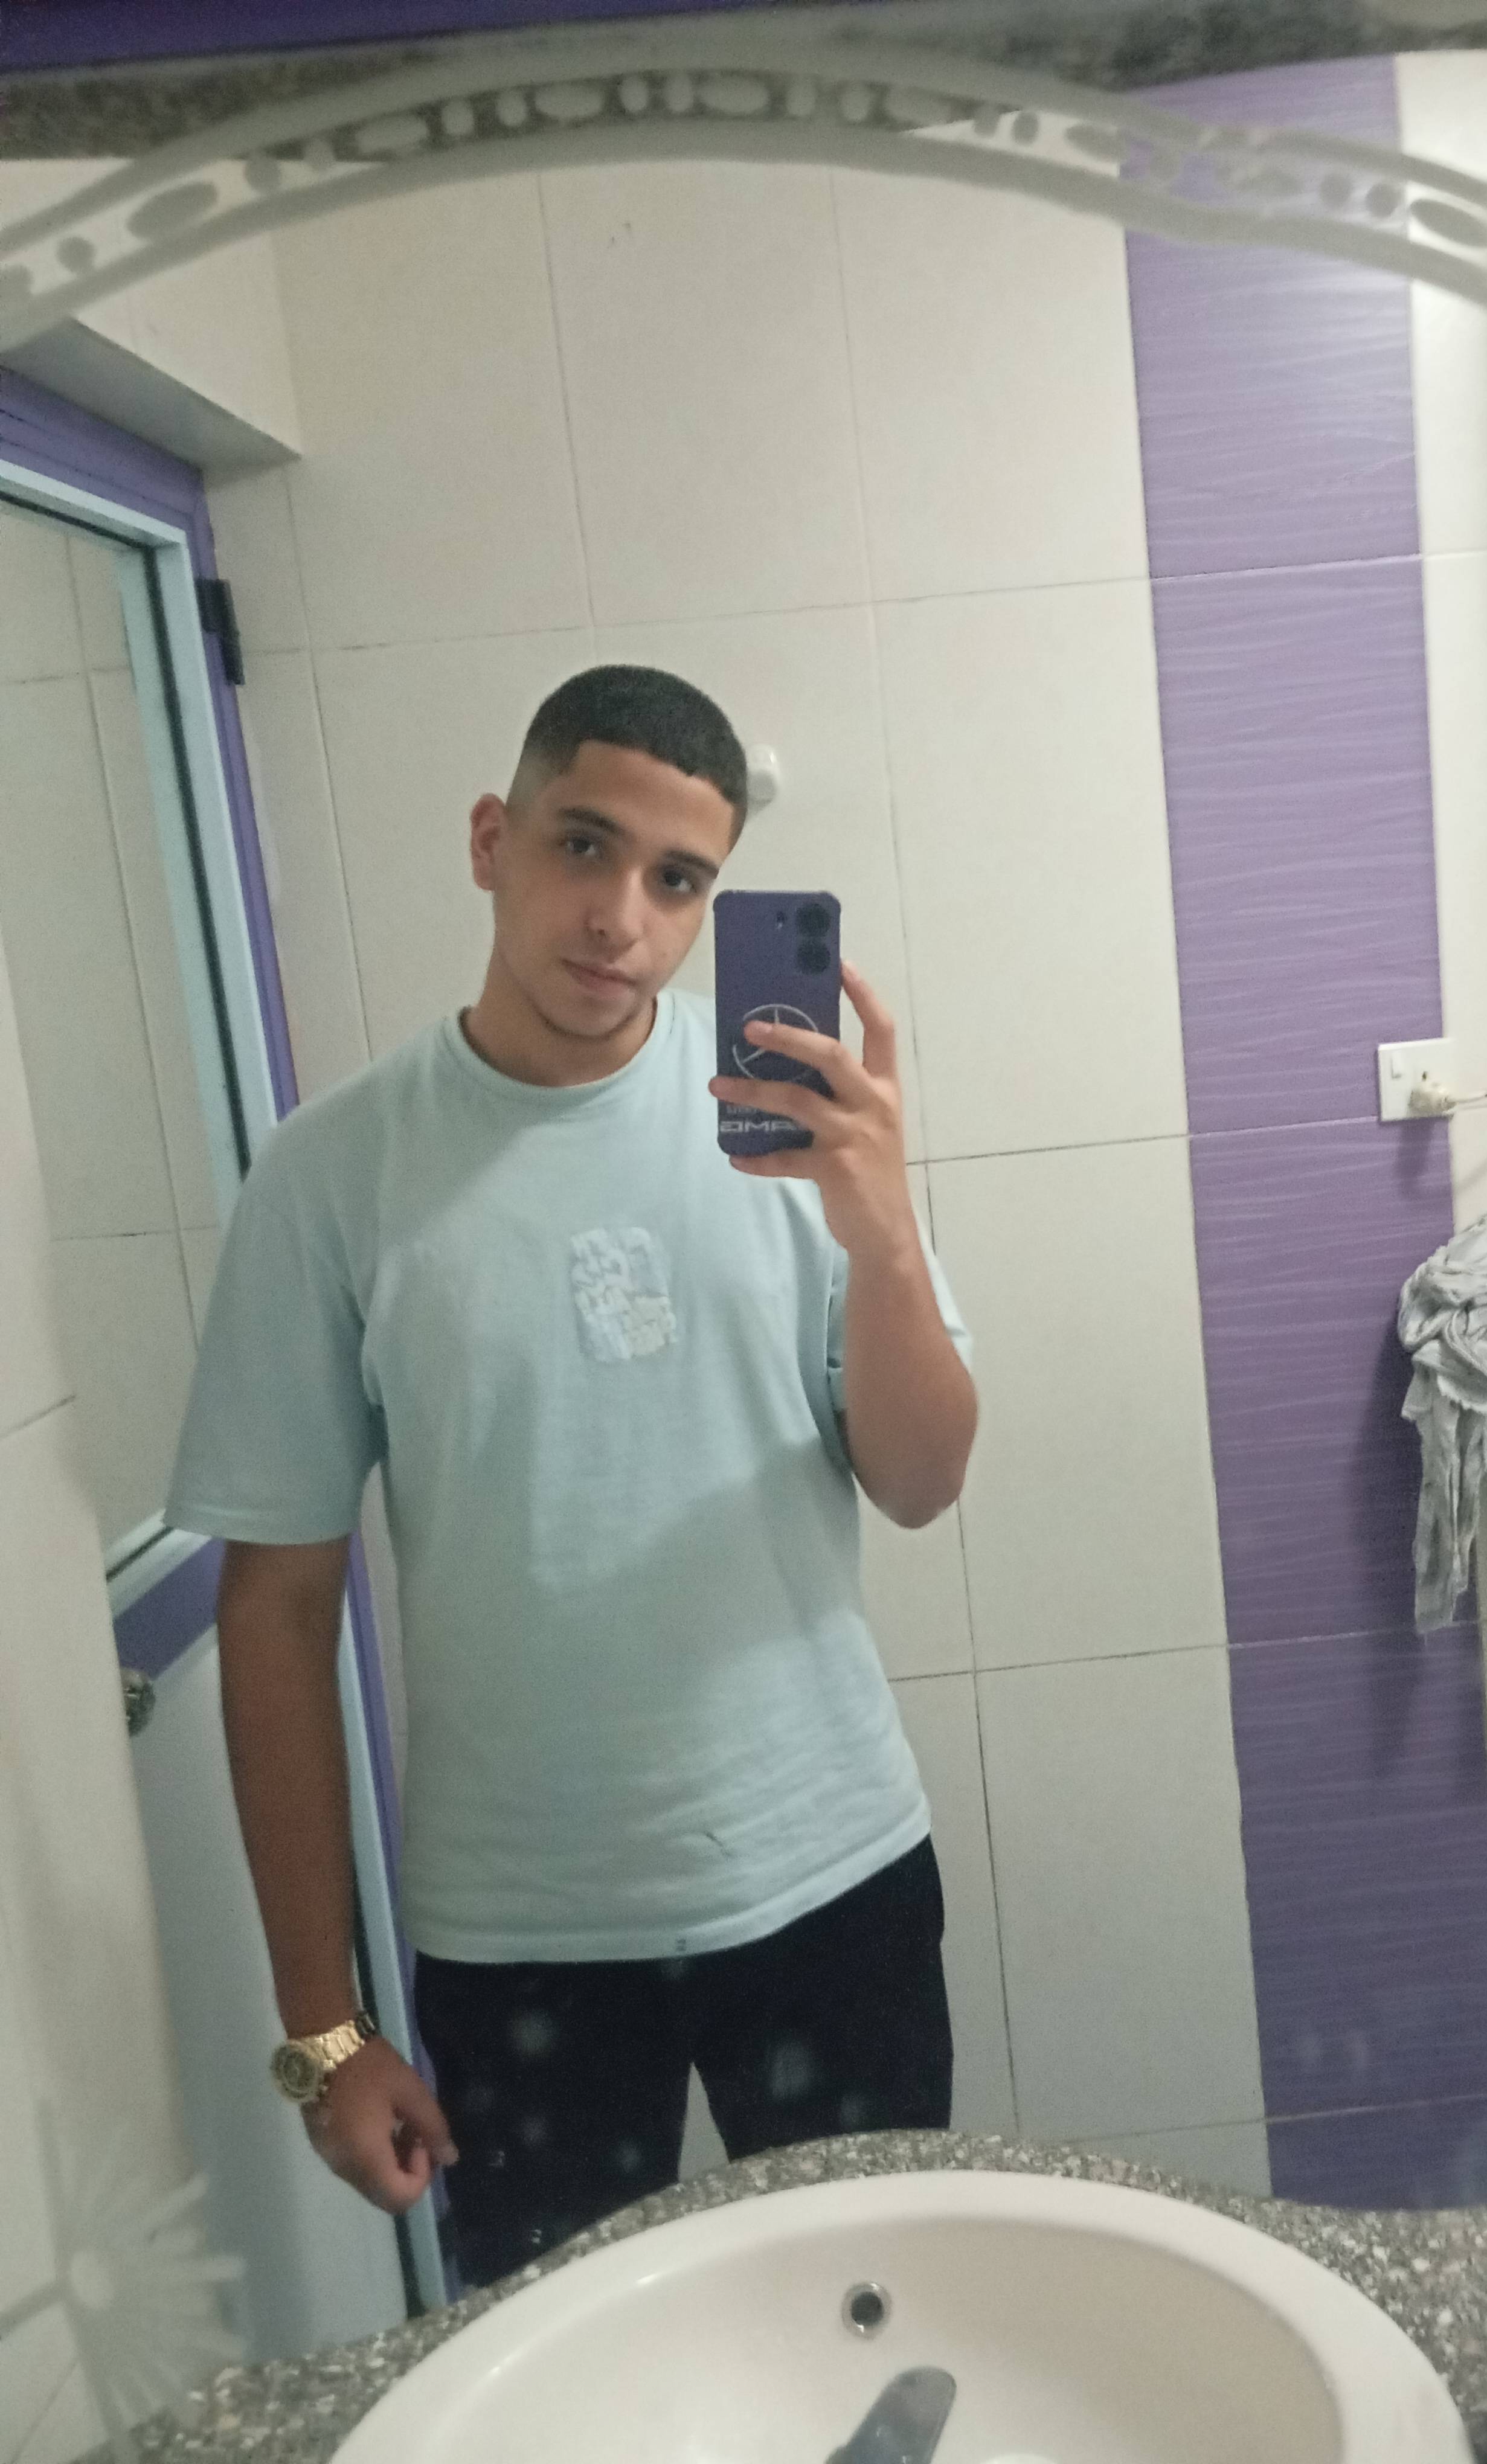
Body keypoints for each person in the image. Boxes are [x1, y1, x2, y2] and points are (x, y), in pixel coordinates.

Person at [164, 665, 978, 2289]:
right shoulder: (334, 1175)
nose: (621, 918)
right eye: (583, 846)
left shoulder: (789, 1129)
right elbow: (277, 1611)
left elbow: (920, 1479)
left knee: (880, 2332)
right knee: (562, 2380)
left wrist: (884, 1236)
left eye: (678, 880)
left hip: (831, 1880)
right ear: (494, 840)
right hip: (521, 1938)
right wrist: (325, 2028)